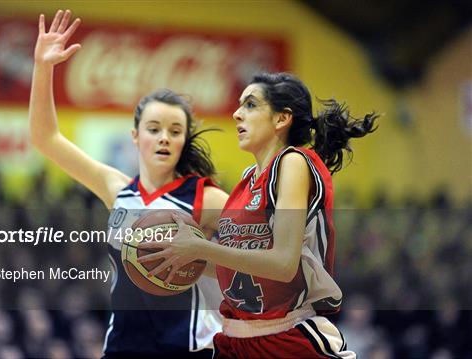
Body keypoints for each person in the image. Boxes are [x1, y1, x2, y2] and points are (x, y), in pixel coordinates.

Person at [29, 10, 228, 358]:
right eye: (154, 129)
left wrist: (199, 260)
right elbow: (46, 138)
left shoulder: (206, 197)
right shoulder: (118, 189)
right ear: (136, 137)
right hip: (122, 348)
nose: (164, 138)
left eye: (175, 131)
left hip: (186, 349)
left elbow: (262, 263)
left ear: (184, 141)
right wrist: (43, 67)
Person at [139, 72, 378, 358]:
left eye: (250, 105)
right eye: (239, 105)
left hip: (285, 340)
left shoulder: (292, 163)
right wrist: (180, 258)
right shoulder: (247, 180)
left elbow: (283, 264)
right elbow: (238, 268)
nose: (237, 114)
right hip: (236, 340)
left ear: (281, 118)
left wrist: (201, 248)